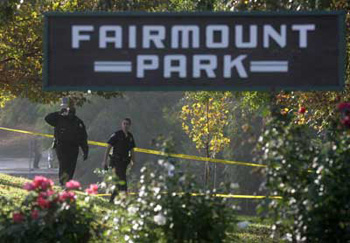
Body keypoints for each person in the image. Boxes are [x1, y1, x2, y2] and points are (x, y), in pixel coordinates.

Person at [45, 106, 89, 186]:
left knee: (71, 166)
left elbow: (83, 138)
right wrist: (58, 113)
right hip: (61, 146)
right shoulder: (60, 119)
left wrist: (85, 151)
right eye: (70, 112)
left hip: (73, 147)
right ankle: (62, 183)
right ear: (67, 112)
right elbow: (47, 118)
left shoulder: (78, 122)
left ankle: (68, 183)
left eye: (72, 112)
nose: (71, 114)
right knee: (63, 164)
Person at [102, 118, 136, 202]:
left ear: (130, 125)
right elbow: (108, 147)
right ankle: (123, 201)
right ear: (121, 124)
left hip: (124, 163)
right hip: (116, 162)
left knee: (119, 182)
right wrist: (104, 161)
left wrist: (133, 161)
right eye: (124, 123)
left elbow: (132, 150)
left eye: (127, 124)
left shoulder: (130, 136)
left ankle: (113, 201)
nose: (125, 125)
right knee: (122, 182)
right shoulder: (116, 134)